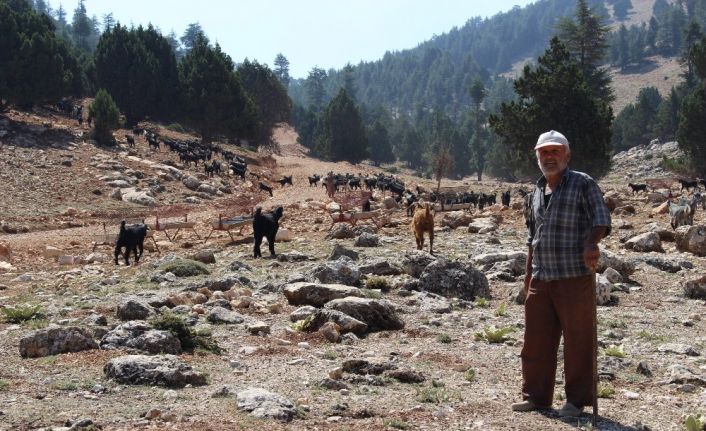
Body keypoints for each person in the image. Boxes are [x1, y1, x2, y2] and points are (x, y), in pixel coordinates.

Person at [511, 130, 611, 418]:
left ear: (567, 155)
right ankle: (536, 396)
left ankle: (576, 402)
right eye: (544, 152)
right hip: (542, 277)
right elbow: (533, 237)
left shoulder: (583, 183)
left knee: (579, 340)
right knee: (536, 340)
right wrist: (528, 275)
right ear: (537, 156)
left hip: (574, 275)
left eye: (555, 151)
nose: (549, 157)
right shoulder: (536, 192)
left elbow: (601, 218)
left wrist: (592, 242)